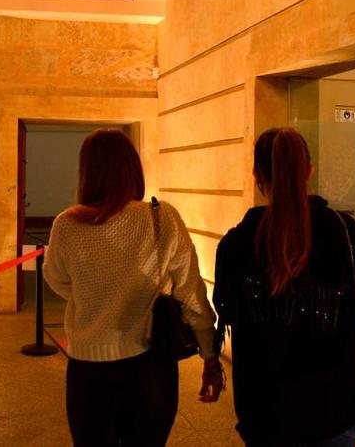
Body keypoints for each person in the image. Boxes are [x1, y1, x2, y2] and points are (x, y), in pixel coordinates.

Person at [213, 127, 355, 446]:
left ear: (256, 174)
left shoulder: (236, 242)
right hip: (335, 405)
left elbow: (225, 310)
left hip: (264, 409)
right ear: (309, 172)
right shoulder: (342, 231)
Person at [43, 128, 223, 447]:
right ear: (132, 169)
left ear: (86, 172)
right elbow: (190, 293)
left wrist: (93, 294)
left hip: (88, 372)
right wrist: (209, 354)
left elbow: (56, 278)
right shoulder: (161, 218)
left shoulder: (66, 225)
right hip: (150, 368)